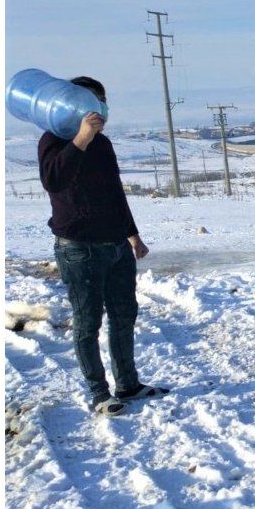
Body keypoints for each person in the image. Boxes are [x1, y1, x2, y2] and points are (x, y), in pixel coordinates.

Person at [38, 76, 169, 417]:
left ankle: (128, 383)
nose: (100, 110)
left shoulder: (104, 144)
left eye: (102, 102)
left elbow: (115, 194)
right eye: (91, 103)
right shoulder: (53, 140)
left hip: (116, 246)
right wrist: (80, 139)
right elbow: (54, 180)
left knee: (124, 316)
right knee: (87, 322)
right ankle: (99, 393)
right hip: (79, 249)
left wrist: (133, 234)